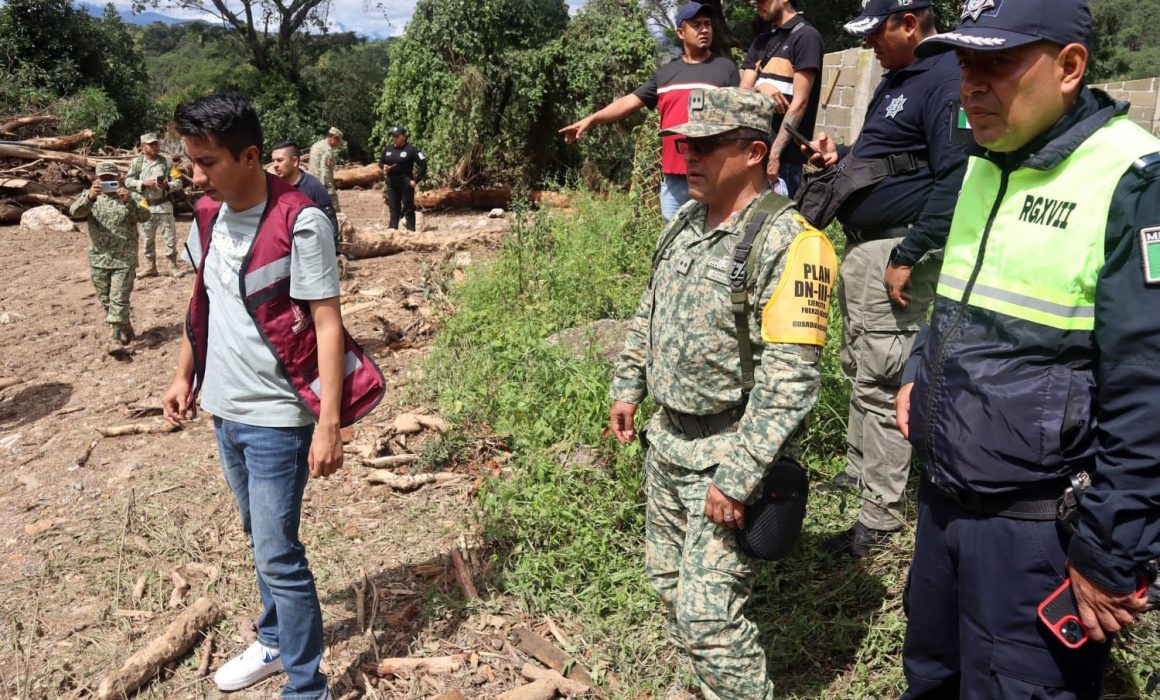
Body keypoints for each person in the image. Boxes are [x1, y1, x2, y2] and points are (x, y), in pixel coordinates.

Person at [895, 1, 1160, 696]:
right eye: (965, 64)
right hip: (946, 505)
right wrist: (919, 371)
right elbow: (959, 295)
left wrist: (1111, 550)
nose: (970, 84)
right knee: (930, 675)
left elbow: (1149, 388)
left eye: (999, 63)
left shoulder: (1132, 180)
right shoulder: (987, 163)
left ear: (1069, 67)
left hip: (1036, 535)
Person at [609, 87, 837, 699]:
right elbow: (651, 307)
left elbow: (789, 379)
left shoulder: (793, 244)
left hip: (727, 456)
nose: (690, 159)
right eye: (686, 145)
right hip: (668, 444)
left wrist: (737, 476)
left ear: (756, 152)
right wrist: (629, 382)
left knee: (709, 617)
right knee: (667, 584)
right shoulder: (685, 221)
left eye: (708, 147)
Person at [162, 93, 386, 700]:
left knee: (279, 553)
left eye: (206, 162)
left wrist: (329, 424)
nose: (196, 176)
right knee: (258, 537)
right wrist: (186, 374)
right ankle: (273, 641)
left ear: (251, 155)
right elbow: (202, 300)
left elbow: (327, 323)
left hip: (277, 421)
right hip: (225, 410)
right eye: (190, 162)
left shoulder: (300, 220)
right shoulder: (207, 215)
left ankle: (306, 686)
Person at [802, 0, 966, 558]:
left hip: (896, 248)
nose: (870, 42)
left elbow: (956, 175)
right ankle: (857, 470)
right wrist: (840, 155)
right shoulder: (900, 79)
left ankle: (880, 513)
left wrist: (911, 252)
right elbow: (891, 156)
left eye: (877, 31)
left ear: (910, 23)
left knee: (884, 374)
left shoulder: (945, 79)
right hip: (865, 249)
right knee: (859, 363)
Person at [559, 2, 739, 220]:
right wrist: (591, 119)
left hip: (711, 172)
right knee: (672, 242)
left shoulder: (724, 68)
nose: (704, 30)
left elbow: (737, 119)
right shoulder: (666, 74)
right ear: (681, 32)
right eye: (696, 25)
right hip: (674, 178)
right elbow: (628, 102)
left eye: (707, 24)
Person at [739, 0, 824, 196]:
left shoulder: (806, 37)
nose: (756, 4)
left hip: (783, 161)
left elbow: (800, 102)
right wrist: (760, 88)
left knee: (780, 221)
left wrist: (775, 156)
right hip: (754, 152)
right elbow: (742, 93)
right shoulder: (761, 41)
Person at [69, 161, 150, 356]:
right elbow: (74, 212)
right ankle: (126, 327)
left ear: (118, 178)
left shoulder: (132, 197)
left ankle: (115, 338)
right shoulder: (89, 197)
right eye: (103, 178)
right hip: (99, 259)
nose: (107, 181)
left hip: (124, 259)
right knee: (106, 301)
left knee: (118, 299)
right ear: (96, 179)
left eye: (110, 178)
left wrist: (128, 201)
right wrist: (89, 197)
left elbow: (145, 216)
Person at [125, 132, 184, 277]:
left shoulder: (168, 163)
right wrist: (142, 183)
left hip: (164, 207)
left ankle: (172, 266)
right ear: (143, 147)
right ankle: (150, 266)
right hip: (145, 207)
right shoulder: (136, 163)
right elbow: (127, 182)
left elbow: (179, 182)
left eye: (156, 143)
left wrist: (167, 186)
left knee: (170, 238)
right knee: (147, 239)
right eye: (150, 144)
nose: (154, 146)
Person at [271, 140, 339, 248]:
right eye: (273, 161)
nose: (275, 165)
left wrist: (332, 252)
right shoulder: (272, 188)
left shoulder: (314, 187)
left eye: (279, 160)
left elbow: (330, 224)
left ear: (294, 161)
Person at [378, 126, 427, 231]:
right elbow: (381, 162)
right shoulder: (387, 149)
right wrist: (384, 166)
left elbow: (423, 165)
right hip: (392, 183)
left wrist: (416, 180)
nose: (394, 138)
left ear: (404, 136)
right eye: (393, 136)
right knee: (394, 210)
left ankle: (411, 234)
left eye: (396, 136)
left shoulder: (411, 150)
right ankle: (392, 233)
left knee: (408, 209)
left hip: (406, 183)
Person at [307, 126, 343, 213]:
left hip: (311, 184)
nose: (338, 144)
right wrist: (329, 190)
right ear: (334, 138)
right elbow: (325, 172)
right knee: (335, 212)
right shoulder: (327, 150)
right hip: (321, 185)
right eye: (338, 141)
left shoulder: (316, 145)